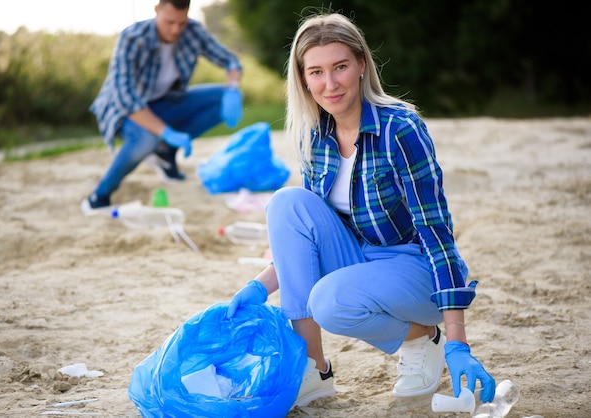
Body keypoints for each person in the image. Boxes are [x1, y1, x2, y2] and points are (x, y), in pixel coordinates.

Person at [227, 12, 496, 409]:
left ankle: (423, 336)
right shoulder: (315, 136)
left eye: (340, 67)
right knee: (287, 203)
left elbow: (436, 231)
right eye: (316, 72)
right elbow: (307, 238)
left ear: (361, 65)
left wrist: (458, 339)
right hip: (361, 259)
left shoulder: (399, 129)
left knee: (329, 301)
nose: (330, 83)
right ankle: (312, 369)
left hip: (414, 272)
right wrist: (261, 286)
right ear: (303, 79)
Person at [82, 0, 243, 213]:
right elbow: (127, 99)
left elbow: (231, 61)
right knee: (147, 139)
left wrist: (232, 88)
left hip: (166, 103)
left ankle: (165, 153)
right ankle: (99, 196)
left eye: (181, 23)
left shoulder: (193, 31)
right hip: (122, 112)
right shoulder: (132, 38)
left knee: (226, 97)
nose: (176, 30)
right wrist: (165, 132)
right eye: (169, 22)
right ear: (157, 10)